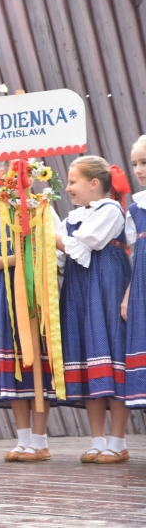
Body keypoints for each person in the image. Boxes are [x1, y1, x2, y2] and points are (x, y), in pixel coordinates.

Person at [0, 162, 59, 462]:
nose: (14, 181)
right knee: (15, 366)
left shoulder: (42, 210)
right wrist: (19, 258)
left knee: (37, 365)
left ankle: (40, 440)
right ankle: (23, 440)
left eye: (21, 175)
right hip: (2, 294)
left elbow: (58, 256)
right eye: (9, 175)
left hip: (37, 293)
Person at [56, 155, 131, 464]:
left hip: (106, 284)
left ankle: (118, 441)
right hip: (78, 289)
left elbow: (86, 245)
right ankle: (97, 440)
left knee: (112, 352)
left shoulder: (110, 210)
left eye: (73, 182)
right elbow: (62, 256)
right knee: (88, 357)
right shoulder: (71, 218)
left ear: (94, 184)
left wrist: (47, 235)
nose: (68, 189)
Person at [123, 135, 146, 409]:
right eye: (135, 164)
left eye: (144, 162)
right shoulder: (136, 209)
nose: (139, 170)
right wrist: (129, 294)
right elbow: (136, 256)